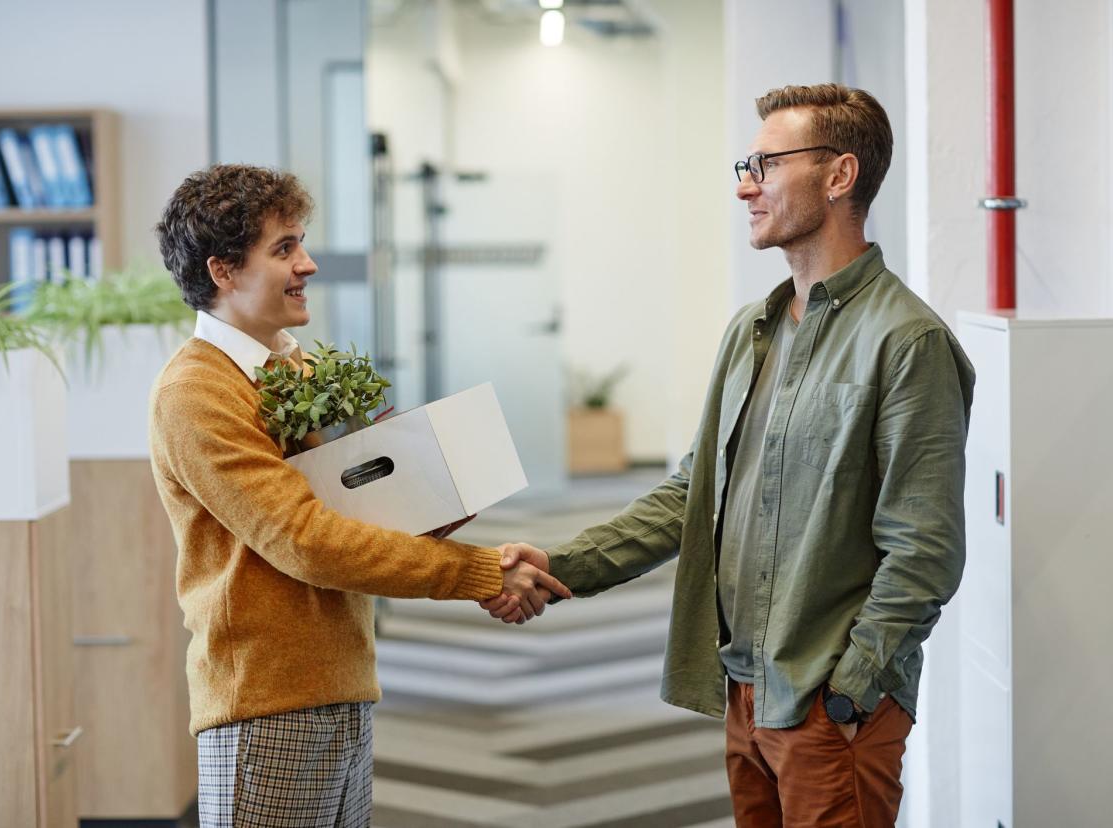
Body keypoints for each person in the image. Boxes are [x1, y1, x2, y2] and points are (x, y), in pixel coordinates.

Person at [486, 83, 975, 827]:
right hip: (745, 689)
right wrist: (562, 567)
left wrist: (849, 689)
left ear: (839, 176)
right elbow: (693, 495)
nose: (746, 185)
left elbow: (925, 551)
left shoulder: (906, 342)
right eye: (744, 165)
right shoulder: (755, 329)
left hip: (826, 701)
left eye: (767, 164)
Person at [149, 163, 570, 828]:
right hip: (267, 699)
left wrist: (442, 499)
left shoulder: (298, 368)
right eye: (284, 248)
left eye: (302, 243)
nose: (308, 264)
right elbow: (306, 540)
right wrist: (480, 572)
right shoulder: (197, 392)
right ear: (224, 271)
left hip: (341, 679)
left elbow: (360, 519)